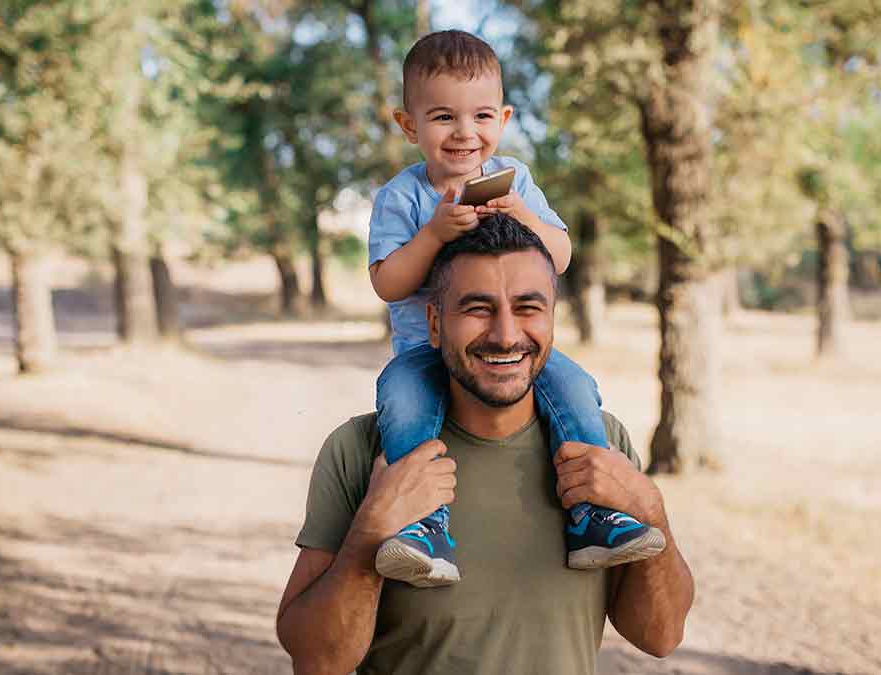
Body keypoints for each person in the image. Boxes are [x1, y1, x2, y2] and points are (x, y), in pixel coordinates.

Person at [278, 215, 695, 675]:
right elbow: (316, 661)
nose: (505, 335)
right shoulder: (361, 450)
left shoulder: (601, 444)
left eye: (528, 308)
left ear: (552, 319)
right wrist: (367, 537)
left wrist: (651, 511)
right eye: (478, 308)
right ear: (434, 323)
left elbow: (660, 636)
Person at [366, 29, 664, 588]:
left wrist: (523, 215)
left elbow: (561, 255)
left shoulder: (516, 180)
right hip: (426, 353)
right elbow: (387, 282)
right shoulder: (402, 197)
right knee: (401, 401)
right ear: (409, 125)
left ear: (502, 120)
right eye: (443, 117)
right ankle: (423, 526)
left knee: (575, 387)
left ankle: (592, 514)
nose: (464, 132)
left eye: (481, 116)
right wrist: (433, 235)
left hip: (515, 352)